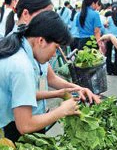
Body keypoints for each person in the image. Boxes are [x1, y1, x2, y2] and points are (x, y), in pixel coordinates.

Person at [5, 0, 100, 118]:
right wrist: (60, 99)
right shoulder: (18, 50)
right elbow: (23, 96)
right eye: (45, 14)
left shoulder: (37, 44)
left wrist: (77, 89)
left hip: (39, 114)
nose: (49, 20)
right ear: (26, 14)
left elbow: (50, 78)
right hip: (20, 119)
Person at [0, 11, 80, 142]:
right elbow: (25, 126)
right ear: (41, 41)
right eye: (56, 47)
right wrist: (62, 110)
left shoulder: (18, 49)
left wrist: (61, 93)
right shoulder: (22, 66)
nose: (54, 55)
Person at [105, 5, 117, 75]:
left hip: (109, 37)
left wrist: (108, 27)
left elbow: (105, 24)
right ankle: (116, 71)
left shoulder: (109, 18)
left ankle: (109, 71)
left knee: (108, 53)